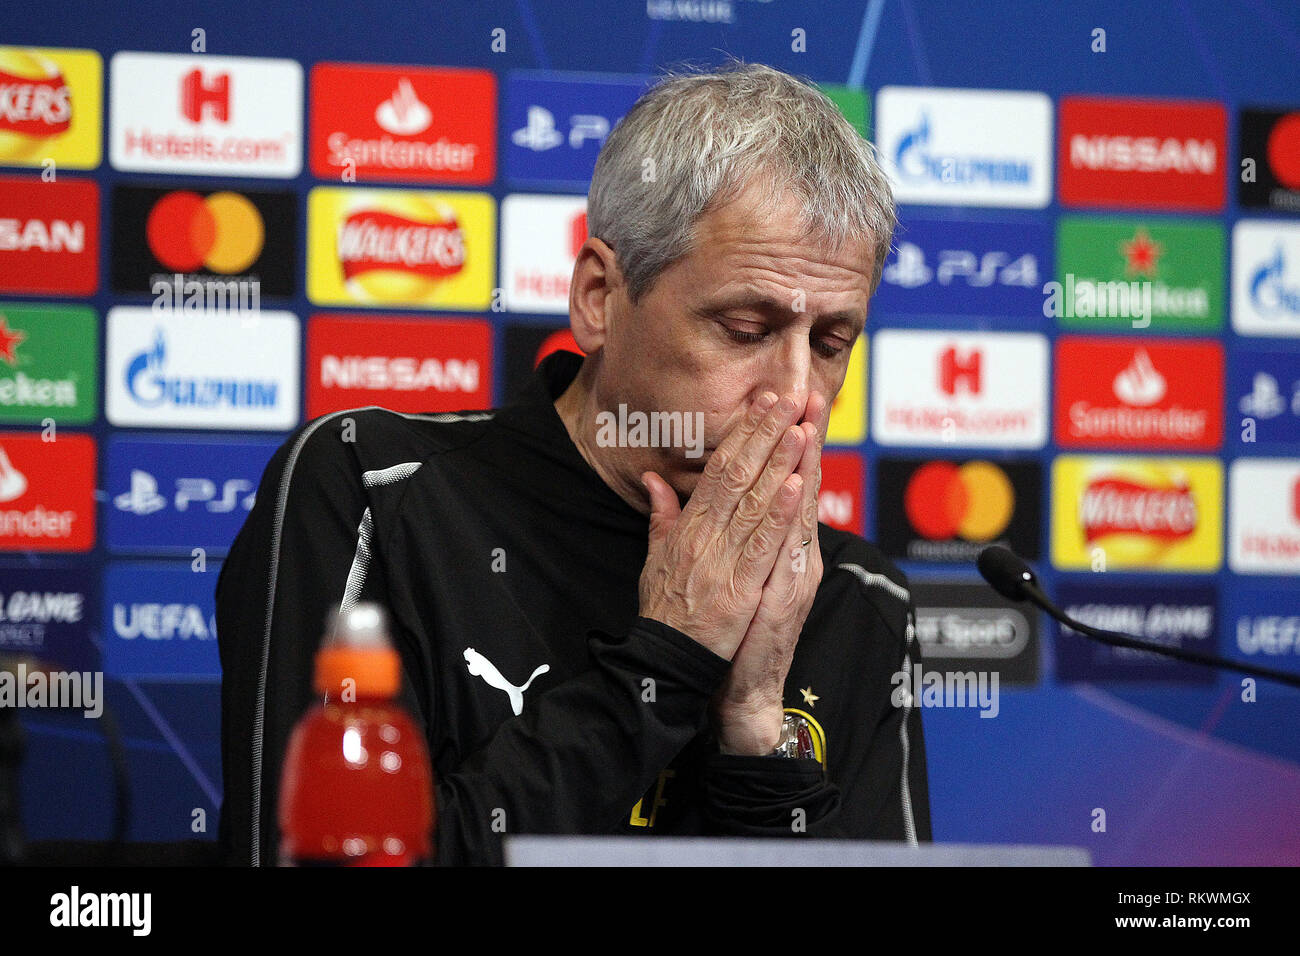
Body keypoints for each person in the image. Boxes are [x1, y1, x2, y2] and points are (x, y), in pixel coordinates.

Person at [216, 60, 931, 866]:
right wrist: (666, 660)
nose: (797, 394)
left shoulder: (857, 599)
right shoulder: (371, 493)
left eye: (832, 344)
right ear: (599, 297)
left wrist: (759, 737)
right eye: (744, 328)